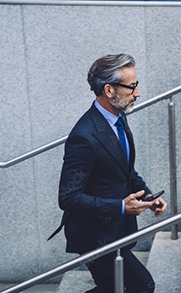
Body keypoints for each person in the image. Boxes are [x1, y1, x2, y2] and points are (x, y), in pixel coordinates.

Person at [56, 54, 167, 293]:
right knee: (142, 284)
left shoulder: (117, 117)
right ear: (109, 90)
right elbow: (68, 197)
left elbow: (126, 173)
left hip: (117, 230)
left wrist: (148, 197)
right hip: (94, 234)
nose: (137, 93)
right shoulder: (84, 136)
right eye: (132, 87)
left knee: (109, 286)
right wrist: (120, 207)